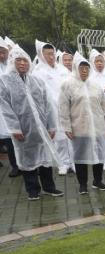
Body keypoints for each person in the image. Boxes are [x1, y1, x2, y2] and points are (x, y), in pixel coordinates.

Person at [0, 45, 63, 200]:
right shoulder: (5, 82)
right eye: (18, 60)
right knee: (27, 159)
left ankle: (49, 187)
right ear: (12, 62)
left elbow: (48, 105)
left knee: (45, 158)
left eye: (25, 60)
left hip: (42, 128)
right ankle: (32, 190)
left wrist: (52, 125)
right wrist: (14, 128)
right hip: (22, 129)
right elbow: (5, 107)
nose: (22, 64)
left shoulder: (37, 81)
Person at [59, 52, 105, 193]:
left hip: (98, 127)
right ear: (75, 68)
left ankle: (98, 181)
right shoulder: (67, 85)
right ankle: (83, 184)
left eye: (86, 68)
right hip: (79, 128)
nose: (84, 71)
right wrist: (67, 127)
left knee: (99, 155)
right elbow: (63, 108)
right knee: (81, 156)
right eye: (81, 68)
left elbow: (104, 106)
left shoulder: (95, 85)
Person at [33, 40, 72, 175]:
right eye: (48, 54)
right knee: (59, 138)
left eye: (52, 53)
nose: (51, 57)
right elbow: (40, 93)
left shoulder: (62, 69)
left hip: (67, 107)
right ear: (41, 55)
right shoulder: (37, 72)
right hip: (51, 109)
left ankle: (73, 162)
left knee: (70, 135)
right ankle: (62, 163)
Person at [0, 36, 19, 177]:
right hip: (2, 109)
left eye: (3, 52)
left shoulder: (13, 66)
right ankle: (15, 166)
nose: (1, 55)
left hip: (17, 106)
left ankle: (29, 165)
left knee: (20, 137)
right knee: (8, 138)